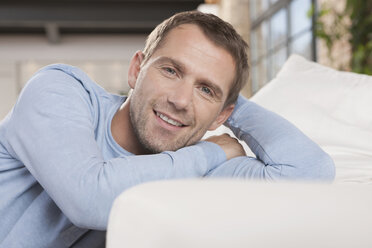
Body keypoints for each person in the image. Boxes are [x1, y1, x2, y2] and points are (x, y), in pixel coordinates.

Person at [0, 11, 334, 248]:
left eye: (205, 89)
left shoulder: (191, 169)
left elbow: (309, 172)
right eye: (171, 71)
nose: (180, 100)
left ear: (223, 115)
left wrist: (226, 105)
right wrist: (212, 149)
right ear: (136, 69)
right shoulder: (59, 90)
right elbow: (89, 198)